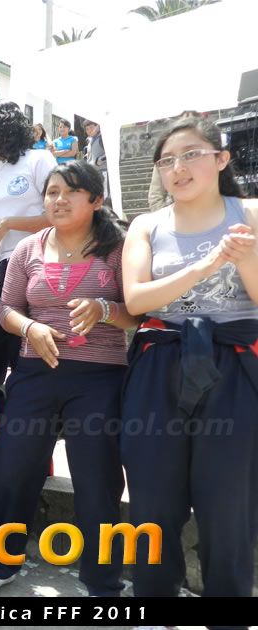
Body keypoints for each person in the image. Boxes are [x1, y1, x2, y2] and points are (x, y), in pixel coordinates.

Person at [0, 161, 137, 598]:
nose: (58, 200)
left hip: (99, 378)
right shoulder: (29, 248)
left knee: (97, 480)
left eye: (71, 191)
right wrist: (30, 327)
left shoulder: (118, 248)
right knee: (13, 471)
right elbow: (6, 310)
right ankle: (0, 562)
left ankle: (102, 582)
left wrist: (103, 310)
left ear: (95, 200)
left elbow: (136, 312)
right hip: (34, 373)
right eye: (52, 192)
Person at [121, 117, 258, 598]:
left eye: (191, 154)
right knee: (152, 497)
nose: (177, 168)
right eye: (167, 161)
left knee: (229, 503)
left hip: (235, 367)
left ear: (221, 159)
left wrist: (245, 259)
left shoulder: (251, 213)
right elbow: (136, 299)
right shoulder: (146, 225)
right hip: (160, 364)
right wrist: (207, 264)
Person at [0, 100, 56, 398]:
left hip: (36, 265)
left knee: (26, 353)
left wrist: (9, 224)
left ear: (0, 125)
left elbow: (57, 216)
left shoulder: (38, 160)